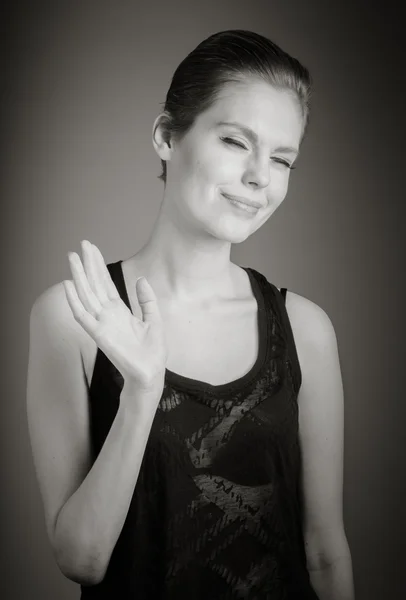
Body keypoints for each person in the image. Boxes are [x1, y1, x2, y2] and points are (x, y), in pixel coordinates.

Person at [27, 30, 355, 600]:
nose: (260, 176)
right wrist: (141, 391)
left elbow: (325, 552)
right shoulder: (73, 317)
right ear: (165, 136)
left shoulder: (305, 329)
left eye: (282, 159)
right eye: (235, 141)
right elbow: (81, 560)